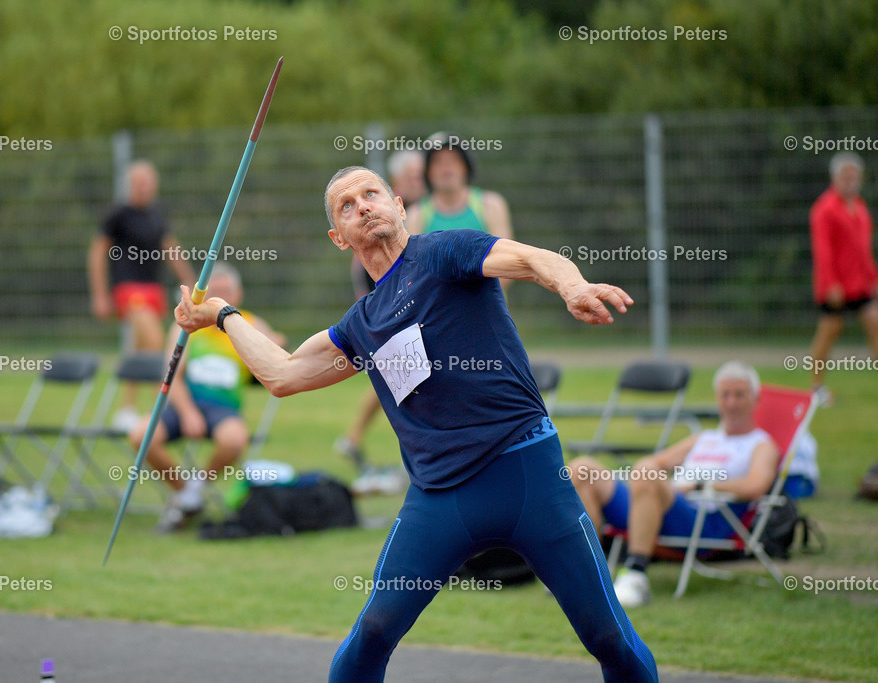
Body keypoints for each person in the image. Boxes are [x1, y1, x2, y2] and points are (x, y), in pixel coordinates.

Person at [174, 166, 657, 682]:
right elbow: (283, 374)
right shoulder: (361, 326)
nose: (362, 205)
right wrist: (224, 314)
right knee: (374, 632)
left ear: (399, 206)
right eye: (347, 204)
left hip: (529, 479)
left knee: (606, 636)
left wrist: (572, 285)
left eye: (371, 193)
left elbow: (529, 258)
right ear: (339, 237)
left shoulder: (444, 253)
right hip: (440, 499)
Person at [569, 361, 780, 608]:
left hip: (703, 518)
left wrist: (699, 486)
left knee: (646, 474)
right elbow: (653, 462)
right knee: (582, 469)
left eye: (739, 395)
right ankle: (584, 572)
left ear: (756, 399)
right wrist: (647, 477)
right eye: (725, 395)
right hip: (660, 502)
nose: (731, 403)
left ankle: (635, 575)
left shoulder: (762, 444)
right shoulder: (704, 438)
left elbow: (756, 486)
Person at [128, 264, 285, 532]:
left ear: (239, 294)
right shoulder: (189, 324)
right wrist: (188, 412)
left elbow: (277, 351)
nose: (221, 297)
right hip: (185, 404)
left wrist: (277, 341)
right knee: (141, 435)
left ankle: (197, 487)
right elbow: (171, 374)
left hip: (223, 408)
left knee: (235, 440)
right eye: (216, 292)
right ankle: (184, 493)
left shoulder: (249, 324)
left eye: (227, 292)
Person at [335, 150, 425, 477]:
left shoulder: (417, 211)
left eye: (421, 173)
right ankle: (357, 437)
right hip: (389, 303)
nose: (420, 178)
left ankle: (355, 437)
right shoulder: (387, 214)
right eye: (413, 174)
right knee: (397, 374)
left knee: (401, 376)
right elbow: (360, 265)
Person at [89, 160, 197, 429]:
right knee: (155, 340)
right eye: (139, 182)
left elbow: (171, 248)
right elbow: (97, 253)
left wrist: (191, 281)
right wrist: (100, 295)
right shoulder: (118, 215)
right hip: (128, 289)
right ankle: (159, 406)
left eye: (148, 182)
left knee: (139, 348)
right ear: (130, 185)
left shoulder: (156, 214)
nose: (144, 187)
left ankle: (126, 409)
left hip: (152, 290)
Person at [807, 152, 878, 395]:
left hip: (859, 283)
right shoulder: (824, 209)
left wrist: (873, 277)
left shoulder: (859, 206)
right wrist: (830, 284)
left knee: (875, 323)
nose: (850, 179)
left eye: (854, 175)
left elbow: (863, 248)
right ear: (835, 177)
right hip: (836, 285)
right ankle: (817, 387)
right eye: (845, 175)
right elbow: (823, 251)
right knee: (829, 331)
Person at [406, 132, 514, 289]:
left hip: (488, 311)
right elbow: (412, 273)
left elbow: (508, 265)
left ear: (466, 167)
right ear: (427, 172)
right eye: (438, 162)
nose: (446, 169)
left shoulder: (491, 205)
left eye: (453, 160)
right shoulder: (416, 215)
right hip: (439, 313)